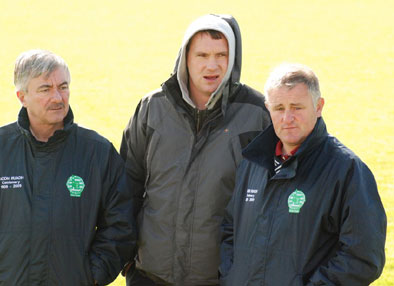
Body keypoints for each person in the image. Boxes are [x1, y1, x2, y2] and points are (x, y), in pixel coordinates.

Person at [0, 49, 136, 286]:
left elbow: (121, 222)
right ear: (22, 97)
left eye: (63, 87)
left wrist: (94, 274)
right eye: (45, 89)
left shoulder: (97, 152)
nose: (58, 97)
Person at [120, 14, 271, 285]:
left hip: (221, 278)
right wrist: (126, 255)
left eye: (221, 55)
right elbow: (126, 185)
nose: (212, 65)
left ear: (233, 57)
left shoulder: (257, 114)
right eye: (202, 55)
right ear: (185, 58)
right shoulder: (152, 109)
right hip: (149, 275)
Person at [219, 63, 387, 285]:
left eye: (296, 107)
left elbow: (363, 257)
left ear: (318, 107)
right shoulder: (253, 163)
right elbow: (230, 230)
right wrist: (233, 277)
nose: (287, 118)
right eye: (279, 108)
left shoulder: (347, 170)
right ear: (268, 108)